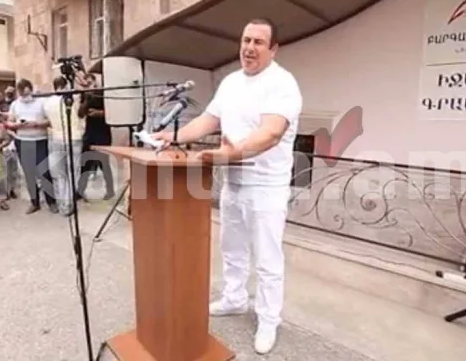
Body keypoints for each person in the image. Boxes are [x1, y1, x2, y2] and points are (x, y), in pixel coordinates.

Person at [152, 18, 302, 354]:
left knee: (267, 258)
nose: (249, 48)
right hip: (233, 182)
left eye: (258, 42)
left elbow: (271, 133)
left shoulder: (282, 84)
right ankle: (234, 298)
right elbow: (208, 120)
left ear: (274, 49)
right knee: (231, 248)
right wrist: (172, 136)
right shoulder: (231, 82)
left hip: (266, 186)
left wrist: (235, 152)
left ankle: (268, 319)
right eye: (246, 40)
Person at [7, 79, 57, 214]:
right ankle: (34, 202)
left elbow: (50, 121)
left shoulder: (42, 103)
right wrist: (16, 125)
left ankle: (51, 201)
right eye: (22, 94)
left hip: (40, 140)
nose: (25, 96)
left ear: (31, 90)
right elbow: (9, 122)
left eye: (27, 93)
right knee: (28, 173)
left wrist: (36, 124)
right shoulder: (15, 104)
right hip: (22, 141)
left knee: (44, 172)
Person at [45, 76, 85, 216]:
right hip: (74, 138)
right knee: (73, 172)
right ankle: (69, 204)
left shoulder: (48, 102)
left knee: (59, 174)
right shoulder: (74, 98)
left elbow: (48, 120)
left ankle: (63, 204)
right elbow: (81, 114)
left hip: (56, 138)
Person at [78, 73, 115, 200]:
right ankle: (80, 190)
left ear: (95, 82)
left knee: (103, 163)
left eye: (90, 83)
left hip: (102, 133)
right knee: (85, 162)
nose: (89, 86)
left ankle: (110, 190)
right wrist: (86, 99)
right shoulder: (85, 95)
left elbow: (112, 112)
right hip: (90, 133)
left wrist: (99, 113)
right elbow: (80, 114)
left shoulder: (103, 94)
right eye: (86, 84)